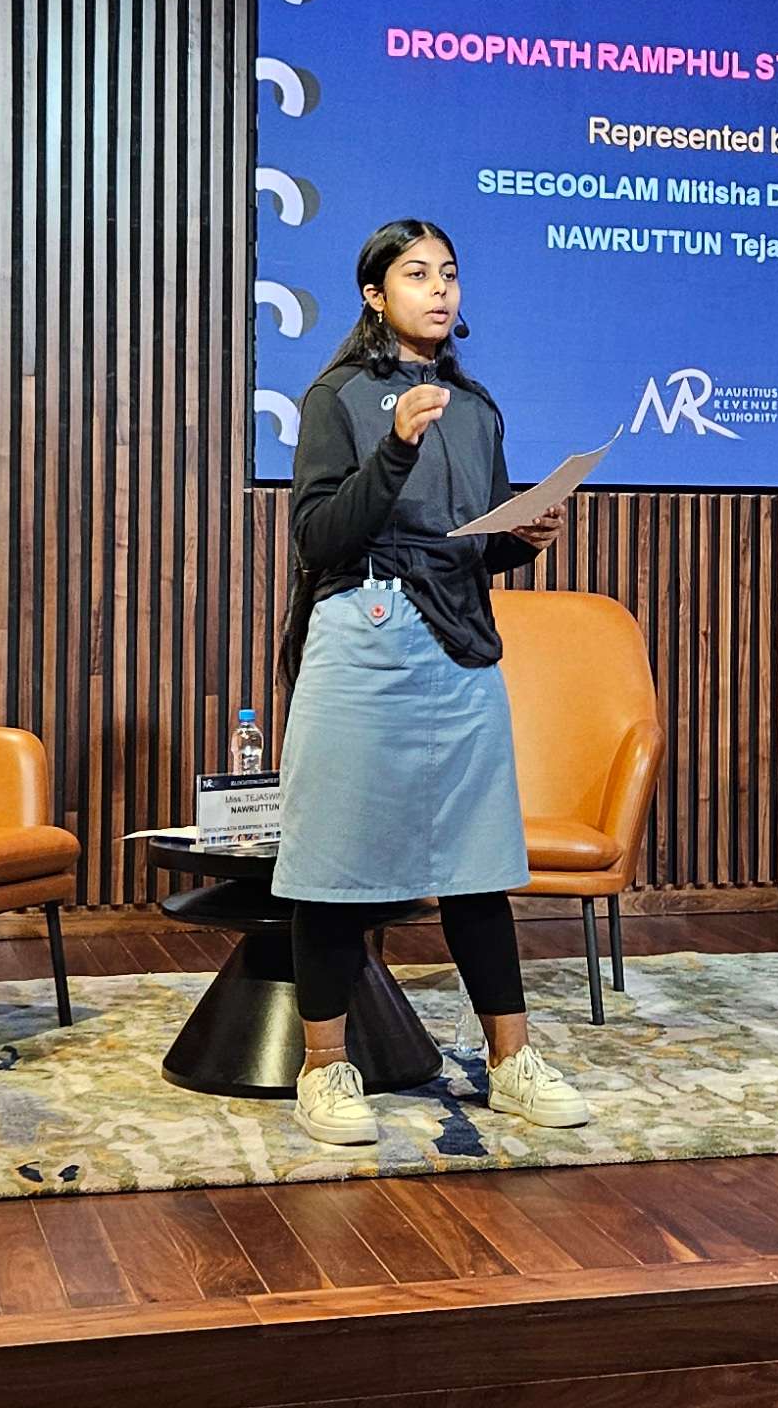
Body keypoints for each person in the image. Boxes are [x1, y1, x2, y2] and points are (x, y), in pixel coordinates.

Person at [273, 218, 587, 1146]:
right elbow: (319, 536)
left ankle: (512, 1061)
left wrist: (522, 538)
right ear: (376, 295)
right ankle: (325, 1070)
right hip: (362, 637)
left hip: (458, 644)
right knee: (332, 864)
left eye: (449, 273)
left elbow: (468, 548)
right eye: (417, 275)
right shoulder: (338, 395)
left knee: (476, 863)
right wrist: (397, 447)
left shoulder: (477, 406)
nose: (440, 290)